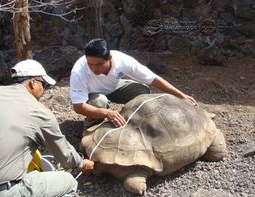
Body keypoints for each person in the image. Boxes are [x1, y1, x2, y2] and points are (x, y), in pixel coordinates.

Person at [0, 59, 94, 197]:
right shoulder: (38, 111)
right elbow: (64, 154)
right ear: (33, 83)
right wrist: (81, 163)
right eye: (44, 85)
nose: (44, 90)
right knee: (68, 183)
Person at [70, 38, 198, 129]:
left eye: (98, 65)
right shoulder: (79, 71)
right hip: (93, 94)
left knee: (142, 91)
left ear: (109, 58)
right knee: (100, 103)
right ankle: (90, 131)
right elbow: (78, 107)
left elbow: (153, 79)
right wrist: (106, 113)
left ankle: (135, 123)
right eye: (90, 64)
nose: (94, 68)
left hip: (114, 88)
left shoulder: (123, 60)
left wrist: (181, 95)